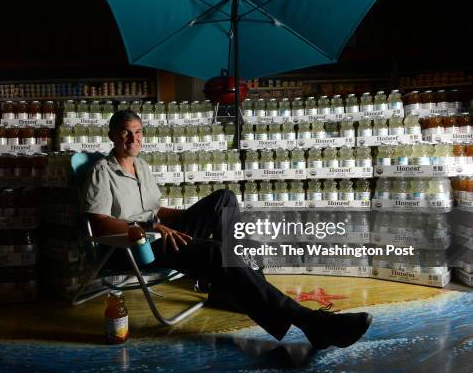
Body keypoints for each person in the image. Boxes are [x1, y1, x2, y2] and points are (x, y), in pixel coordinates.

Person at [81, 109, 372, 349]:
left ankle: (227, 291)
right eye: (125, 132)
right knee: (214, 252)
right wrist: (149, 226)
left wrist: (188, 217)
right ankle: (311, 322)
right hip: (131, 246)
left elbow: (157, 210)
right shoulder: (101, 171)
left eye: (138, 131)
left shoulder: (141, 166)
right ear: (112, 135)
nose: (133, 138)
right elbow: (98, 222)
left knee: (225, 199)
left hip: (158, 230)